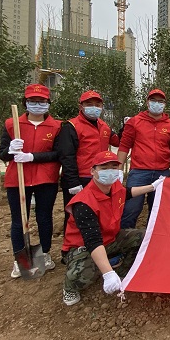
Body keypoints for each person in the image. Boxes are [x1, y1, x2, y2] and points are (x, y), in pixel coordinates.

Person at [61, 151, 165, 305]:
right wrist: (107, 273)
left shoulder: (114, 187)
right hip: (83, 247)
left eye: (114, 167)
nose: (110, 172)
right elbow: (93, 241)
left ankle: (121, 271)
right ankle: (70, 288)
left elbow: (127, 193)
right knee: (84, 273)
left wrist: (152, 187)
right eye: (104, 168)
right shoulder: (84, 203)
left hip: (110, 238)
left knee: (144, 238)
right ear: (93, 171)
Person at [0, 84, 61, 278]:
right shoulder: (12, 124)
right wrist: (10, 150)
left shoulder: (56, 126)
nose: (37, 104)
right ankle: (20, 259)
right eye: (33, 101)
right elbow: (2, 154)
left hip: (45, 179)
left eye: (42, 101)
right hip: (18, 179)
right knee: (19, 221)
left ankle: (45, 253)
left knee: (44, 218)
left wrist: (32, 157)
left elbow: (57, 154)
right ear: (25, 103)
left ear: (48, 103)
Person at [55, 90, 120, 239]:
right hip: (79, 179)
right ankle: (72, 246)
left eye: (97, 104)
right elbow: (67, 156)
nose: (94, 107)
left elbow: (117, 141)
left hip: (98, 178)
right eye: (89, 104)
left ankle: (96, 243)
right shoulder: (71, 126)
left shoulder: (104, 126)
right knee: (75, 215)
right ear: (81, 106)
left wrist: (126, 128)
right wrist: (73, 182)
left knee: (98, 212)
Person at [117, 89, 170, 228]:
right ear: (147, 102)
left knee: (158, 210)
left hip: (162, 173)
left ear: (165, 104)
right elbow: (124, 146)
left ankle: (153, 237)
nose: (157, 104)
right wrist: (118, 169)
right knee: (131, 209)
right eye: (153, 100)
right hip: (139, 172)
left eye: (160, 101)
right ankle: (126, 238)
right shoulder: (135, 122)